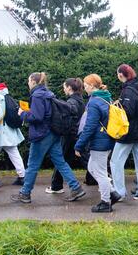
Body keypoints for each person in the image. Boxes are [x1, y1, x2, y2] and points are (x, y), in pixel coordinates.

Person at [11, 72, 86, 204]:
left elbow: (37, 117)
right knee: (60, 162)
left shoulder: (37, 95)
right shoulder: (48, 94)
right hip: (53, 132)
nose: (28, 83)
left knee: (33, 165)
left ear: (34, 82)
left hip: (41, 134)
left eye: (29, 80)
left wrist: (23, 114)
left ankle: (25, 193)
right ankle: (76, 188)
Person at [110, 64, 138, 201]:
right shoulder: (137, 87)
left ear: (120, 75)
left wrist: (116, 106)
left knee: (115, 162)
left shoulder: (128, 91)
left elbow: (129, 112)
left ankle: (119, 193)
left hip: (129, 133)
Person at [75, 74, 116, 213]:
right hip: (107, 139)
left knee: (100, 172)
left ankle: (106, 202)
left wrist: (79, 145)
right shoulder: (106, 97)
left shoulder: (93, 102)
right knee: (92, 168)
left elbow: (89, 126)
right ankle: (113, 193)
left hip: (99, 142)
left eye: (86, 85)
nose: (84, 88)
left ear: (92, 86)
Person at [48, 78, 86, 194]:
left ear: (69, 88)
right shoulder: (79, 100)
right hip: (77, 134)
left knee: (61, 160)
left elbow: (70, 112)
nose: (63, 89)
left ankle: (56, 186)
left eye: (64, 86)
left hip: (70, 135)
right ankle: (56, 185)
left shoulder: (72, 102)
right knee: (83, 159)